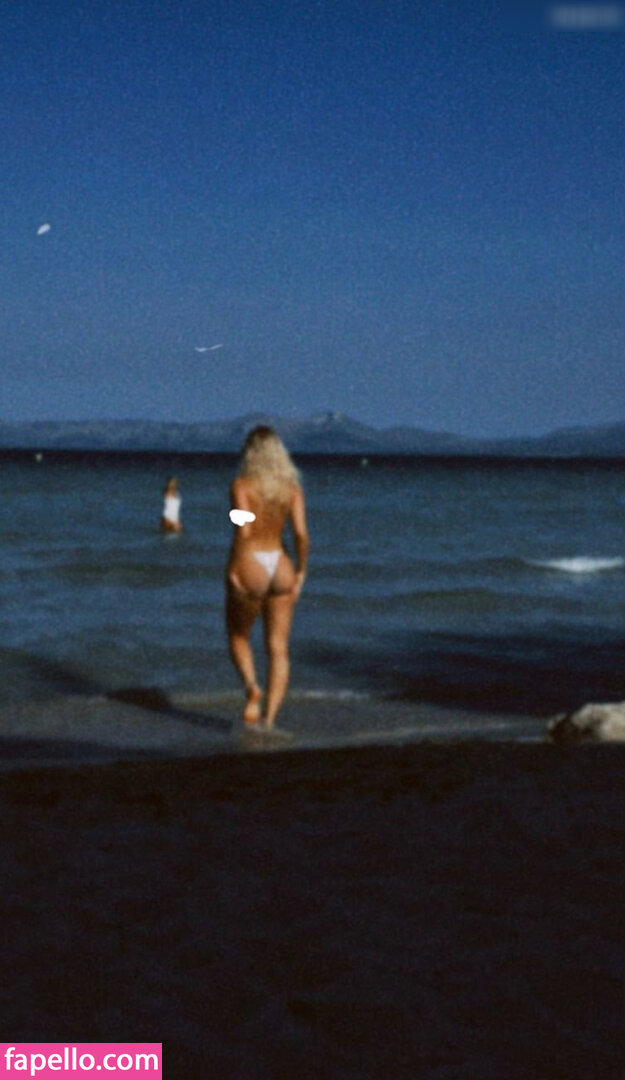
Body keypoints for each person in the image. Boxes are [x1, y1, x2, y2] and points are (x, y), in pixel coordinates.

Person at [226, 426, 309, 730]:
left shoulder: (241, 486)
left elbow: (244, 529)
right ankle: (268, 721)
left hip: (252, 562)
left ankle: (252, 688)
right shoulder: (291, 489)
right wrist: (301, 571)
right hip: (281, 562)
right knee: (278, 648)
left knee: (238, 636)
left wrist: (234, 568)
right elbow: (300, 534)